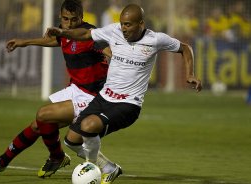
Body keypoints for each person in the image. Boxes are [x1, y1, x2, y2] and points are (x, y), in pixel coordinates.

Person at [45, 3, 202, 183]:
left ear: (140, 24)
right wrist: (62, 33)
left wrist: (190, 73)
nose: (123, 28)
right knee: (71, 140)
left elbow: (185, 48)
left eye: (128, 24)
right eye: (122, 24)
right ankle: (109, 168)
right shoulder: (114, 31)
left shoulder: (156, 39)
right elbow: (86, 34)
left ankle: (91, 170)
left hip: (128, 104)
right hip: (104, 97)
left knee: (88, 126)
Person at [0, 0, 119, 179]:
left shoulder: (90, 34)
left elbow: (110, 51)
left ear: (81, 18)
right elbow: (55, 40)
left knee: (43, 115)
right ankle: (3, 161)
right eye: (66, 19)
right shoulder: (63, 31)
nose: (69, 23)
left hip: (93, 95)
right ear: (60, 17)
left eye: (74, 20)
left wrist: (119, 59)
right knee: (39, 125)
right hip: (76, 89)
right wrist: (25, 42)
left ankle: (57, 157)